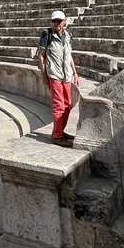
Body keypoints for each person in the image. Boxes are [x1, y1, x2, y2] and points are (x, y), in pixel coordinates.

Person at [37, 10, 79, 146]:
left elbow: (69, 56)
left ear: (64, 22)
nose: (56, 24)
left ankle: (60, 131)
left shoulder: (68, 36)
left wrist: (75, 73)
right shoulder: (47, 34)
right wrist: (44, 76)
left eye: (59, 21)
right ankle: (57, 136)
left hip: (67, 75)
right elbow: (41, 55)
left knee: (67, 105)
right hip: (54, 75)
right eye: (54, 21)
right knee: (59, 106)